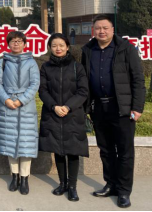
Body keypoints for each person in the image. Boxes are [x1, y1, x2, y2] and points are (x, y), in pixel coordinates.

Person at [81, 15, 146, 209]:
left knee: (125, 151)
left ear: (112, 30)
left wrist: (137, 107)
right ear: (93, 30)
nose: (101, 31)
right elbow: (84, 80)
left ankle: (124, 190)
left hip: (122, 108)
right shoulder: (88, 50)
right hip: (99, 108)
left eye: (105, 28)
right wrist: (86, 107)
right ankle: (110, 184)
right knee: (106, 150)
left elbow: (138, 79)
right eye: (98, 28)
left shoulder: (126, 48)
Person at [39, 33, 90, 202]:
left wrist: (68, 107)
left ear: (67, 47)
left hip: (73, 114)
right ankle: (62, 184)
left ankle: (72, 187)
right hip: (53, 113)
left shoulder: (77, 67)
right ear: (50, 48)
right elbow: (42, 90)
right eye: (54, 45)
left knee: (73, 151)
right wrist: (54, 106)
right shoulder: (45, 67)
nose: (58, 48)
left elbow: (83, 91)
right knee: (58, 150)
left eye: (61, 45)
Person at [0, 31, 40, 196]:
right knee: (10, 142)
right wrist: (6, 99)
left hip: (26, 108)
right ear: (8, 44)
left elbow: (35, 84)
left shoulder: (31, 62)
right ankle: (14, 176)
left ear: (24, 44)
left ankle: (25, 178)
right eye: (13, 41)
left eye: (19, 41)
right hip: (7, 106)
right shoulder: (3, 61)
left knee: (26, 144)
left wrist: (21, 100)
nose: (16, 44)